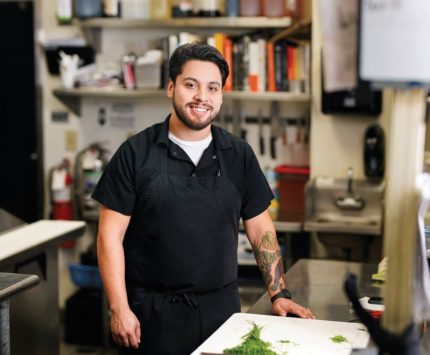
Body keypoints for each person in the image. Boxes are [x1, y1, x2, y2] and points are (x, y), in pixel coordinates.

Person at [92, 42, 315, 355]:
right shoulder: (136, 153)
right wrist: (119, 308)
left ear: (221, 96)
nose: (202, 97)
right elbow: (108, 237)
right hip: (151, 316)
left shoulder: (238, 155)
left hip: (222, 314)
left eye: (213, 88)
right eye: (191, 85)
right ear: (171, 87)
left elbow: (260, 228)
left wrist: (279, 293)